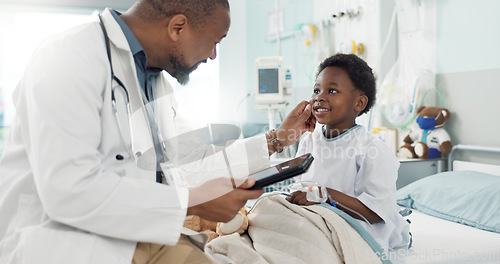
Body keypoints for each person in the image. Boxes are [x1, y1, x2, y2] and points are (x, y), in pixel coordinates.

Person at [0, 0, 315, 263]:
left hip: (133, 234)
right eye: (215, 41)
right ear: (177, 27)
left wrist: (277, 140)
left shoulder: (155, 81)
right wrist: (191, 202)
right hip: (61, 243)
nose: (213, 55)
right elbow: (69, 191)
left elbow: (194, 159)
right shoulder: (68, 57)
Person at [287, 54, 410, 252]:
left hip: (360, 224)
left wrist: (325, 195)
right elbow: (299, 186)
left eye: (332, 90)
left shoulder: (372, 150)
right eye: (316, 90)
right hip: (318, 218)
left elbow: (376, 211)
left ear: (359, 103)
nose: (319, 97)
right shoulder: (309, 141)